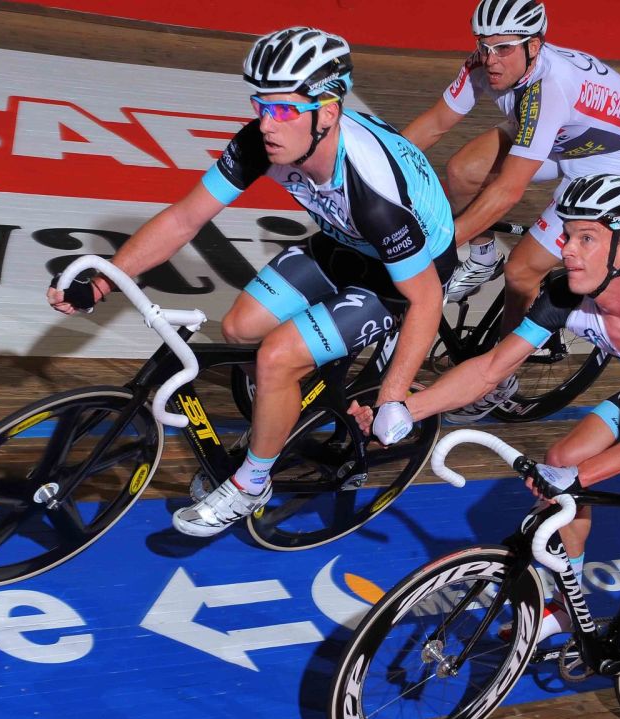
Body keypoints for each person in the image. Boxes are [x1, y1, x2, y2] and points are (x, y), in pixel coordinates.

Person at [351, 175, 620, 682]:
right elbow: (492, 368)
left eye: (586, 238)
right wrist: (408, 410)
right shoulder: (564, 293)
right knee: (561, 459)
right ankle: (567, 606)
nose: (566, 250)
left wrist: (582, 478)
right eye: (566, 235)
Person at [48, 27, 455, 537]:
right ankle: (282, 416)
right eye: (261, 105)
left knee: (277, 357)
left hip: (403, 277)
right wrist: (103, 283)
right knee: (240, 329)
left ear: (328, 113)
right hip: (344, 243)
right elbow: (184, 219)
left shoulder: (374, 191)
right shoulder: (261, 142)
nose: (266, 123)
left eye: (282, 109)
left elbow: (426, 300)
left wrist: (394, 397)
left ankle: (252, 482)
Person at [401, 0, 620, 420]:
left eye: (503, 48)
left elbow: (507, 191)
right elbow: (434, 124)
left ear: (534, 46)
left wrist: (440, 247)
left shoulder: (548, 89)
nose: (491, 59)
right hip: (562, 133)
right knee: (463, 171)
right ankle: (483, 258)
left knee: (521, 272)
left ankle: (501, 380)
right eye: (484, 46)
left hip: (607, 158)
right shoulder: (487, 63)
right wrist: (374, 169)